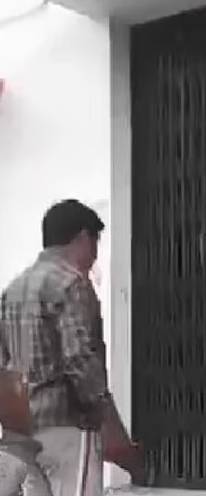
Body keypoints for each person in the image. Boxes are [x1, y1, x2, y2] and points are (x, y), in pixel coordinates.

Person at [0, 200, 143, 496]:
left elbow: (4, 365)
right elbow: (80, 360)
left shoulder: (11, 291)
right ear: (82, 237)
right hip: (68, 428)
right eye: (95, 243)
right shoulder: (71, 283)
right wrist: (107, 420)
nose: (94, 256)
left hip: (25, 431)